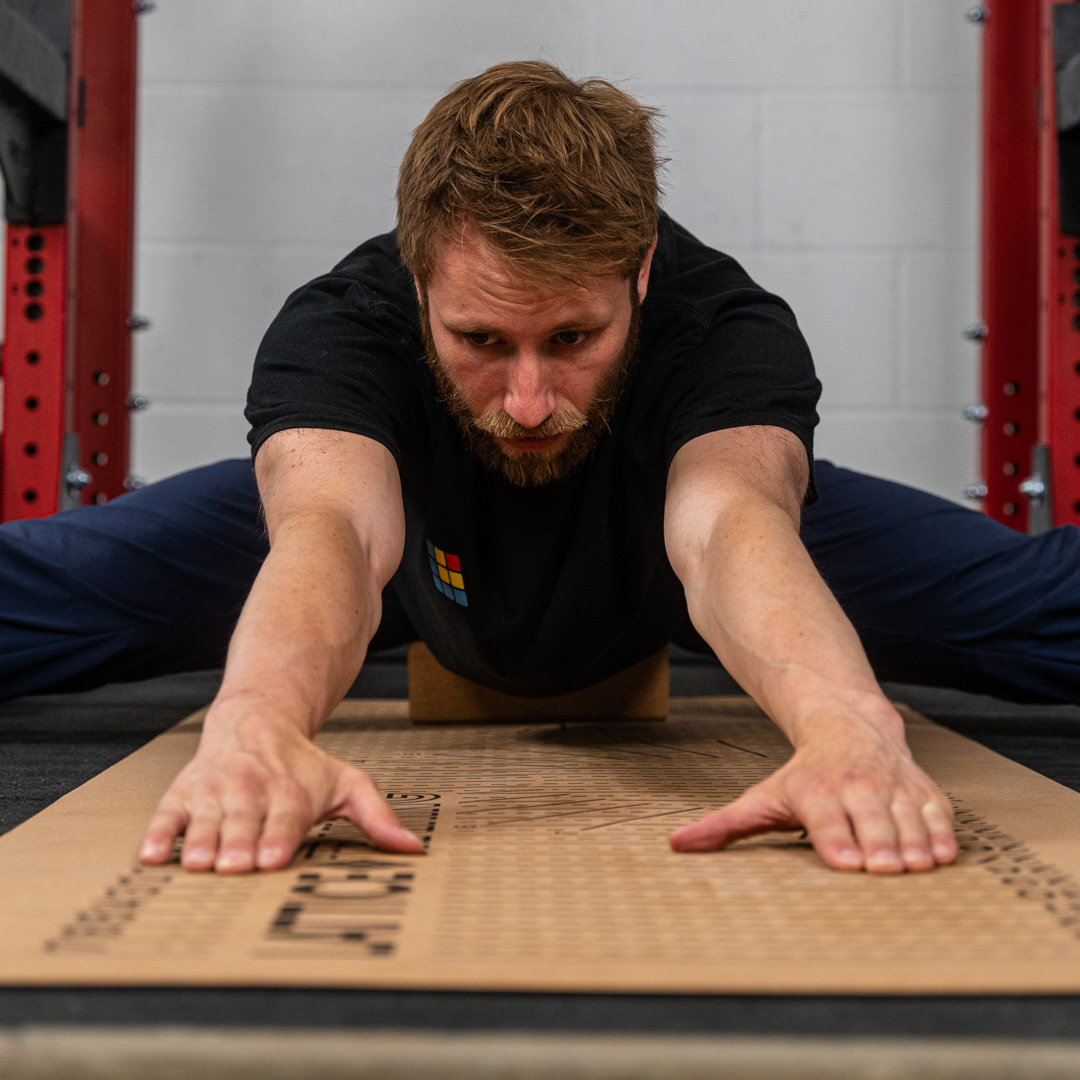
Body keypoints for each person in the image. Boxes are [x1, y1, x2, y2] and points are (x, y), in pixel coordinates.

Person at [3, 61, 1079, 877]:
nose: (527, 403)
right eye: (480, 342)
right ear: (419, 276)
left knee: (1044, 610)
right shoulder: (343, 323)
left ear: (642, 270)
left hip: (661, 551)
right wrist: (254, 728)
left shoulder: (720, 322)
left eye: (572, 340)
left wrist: (850, 729)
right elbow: (335, 530)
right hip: (405, 550)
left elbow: (725, 526)